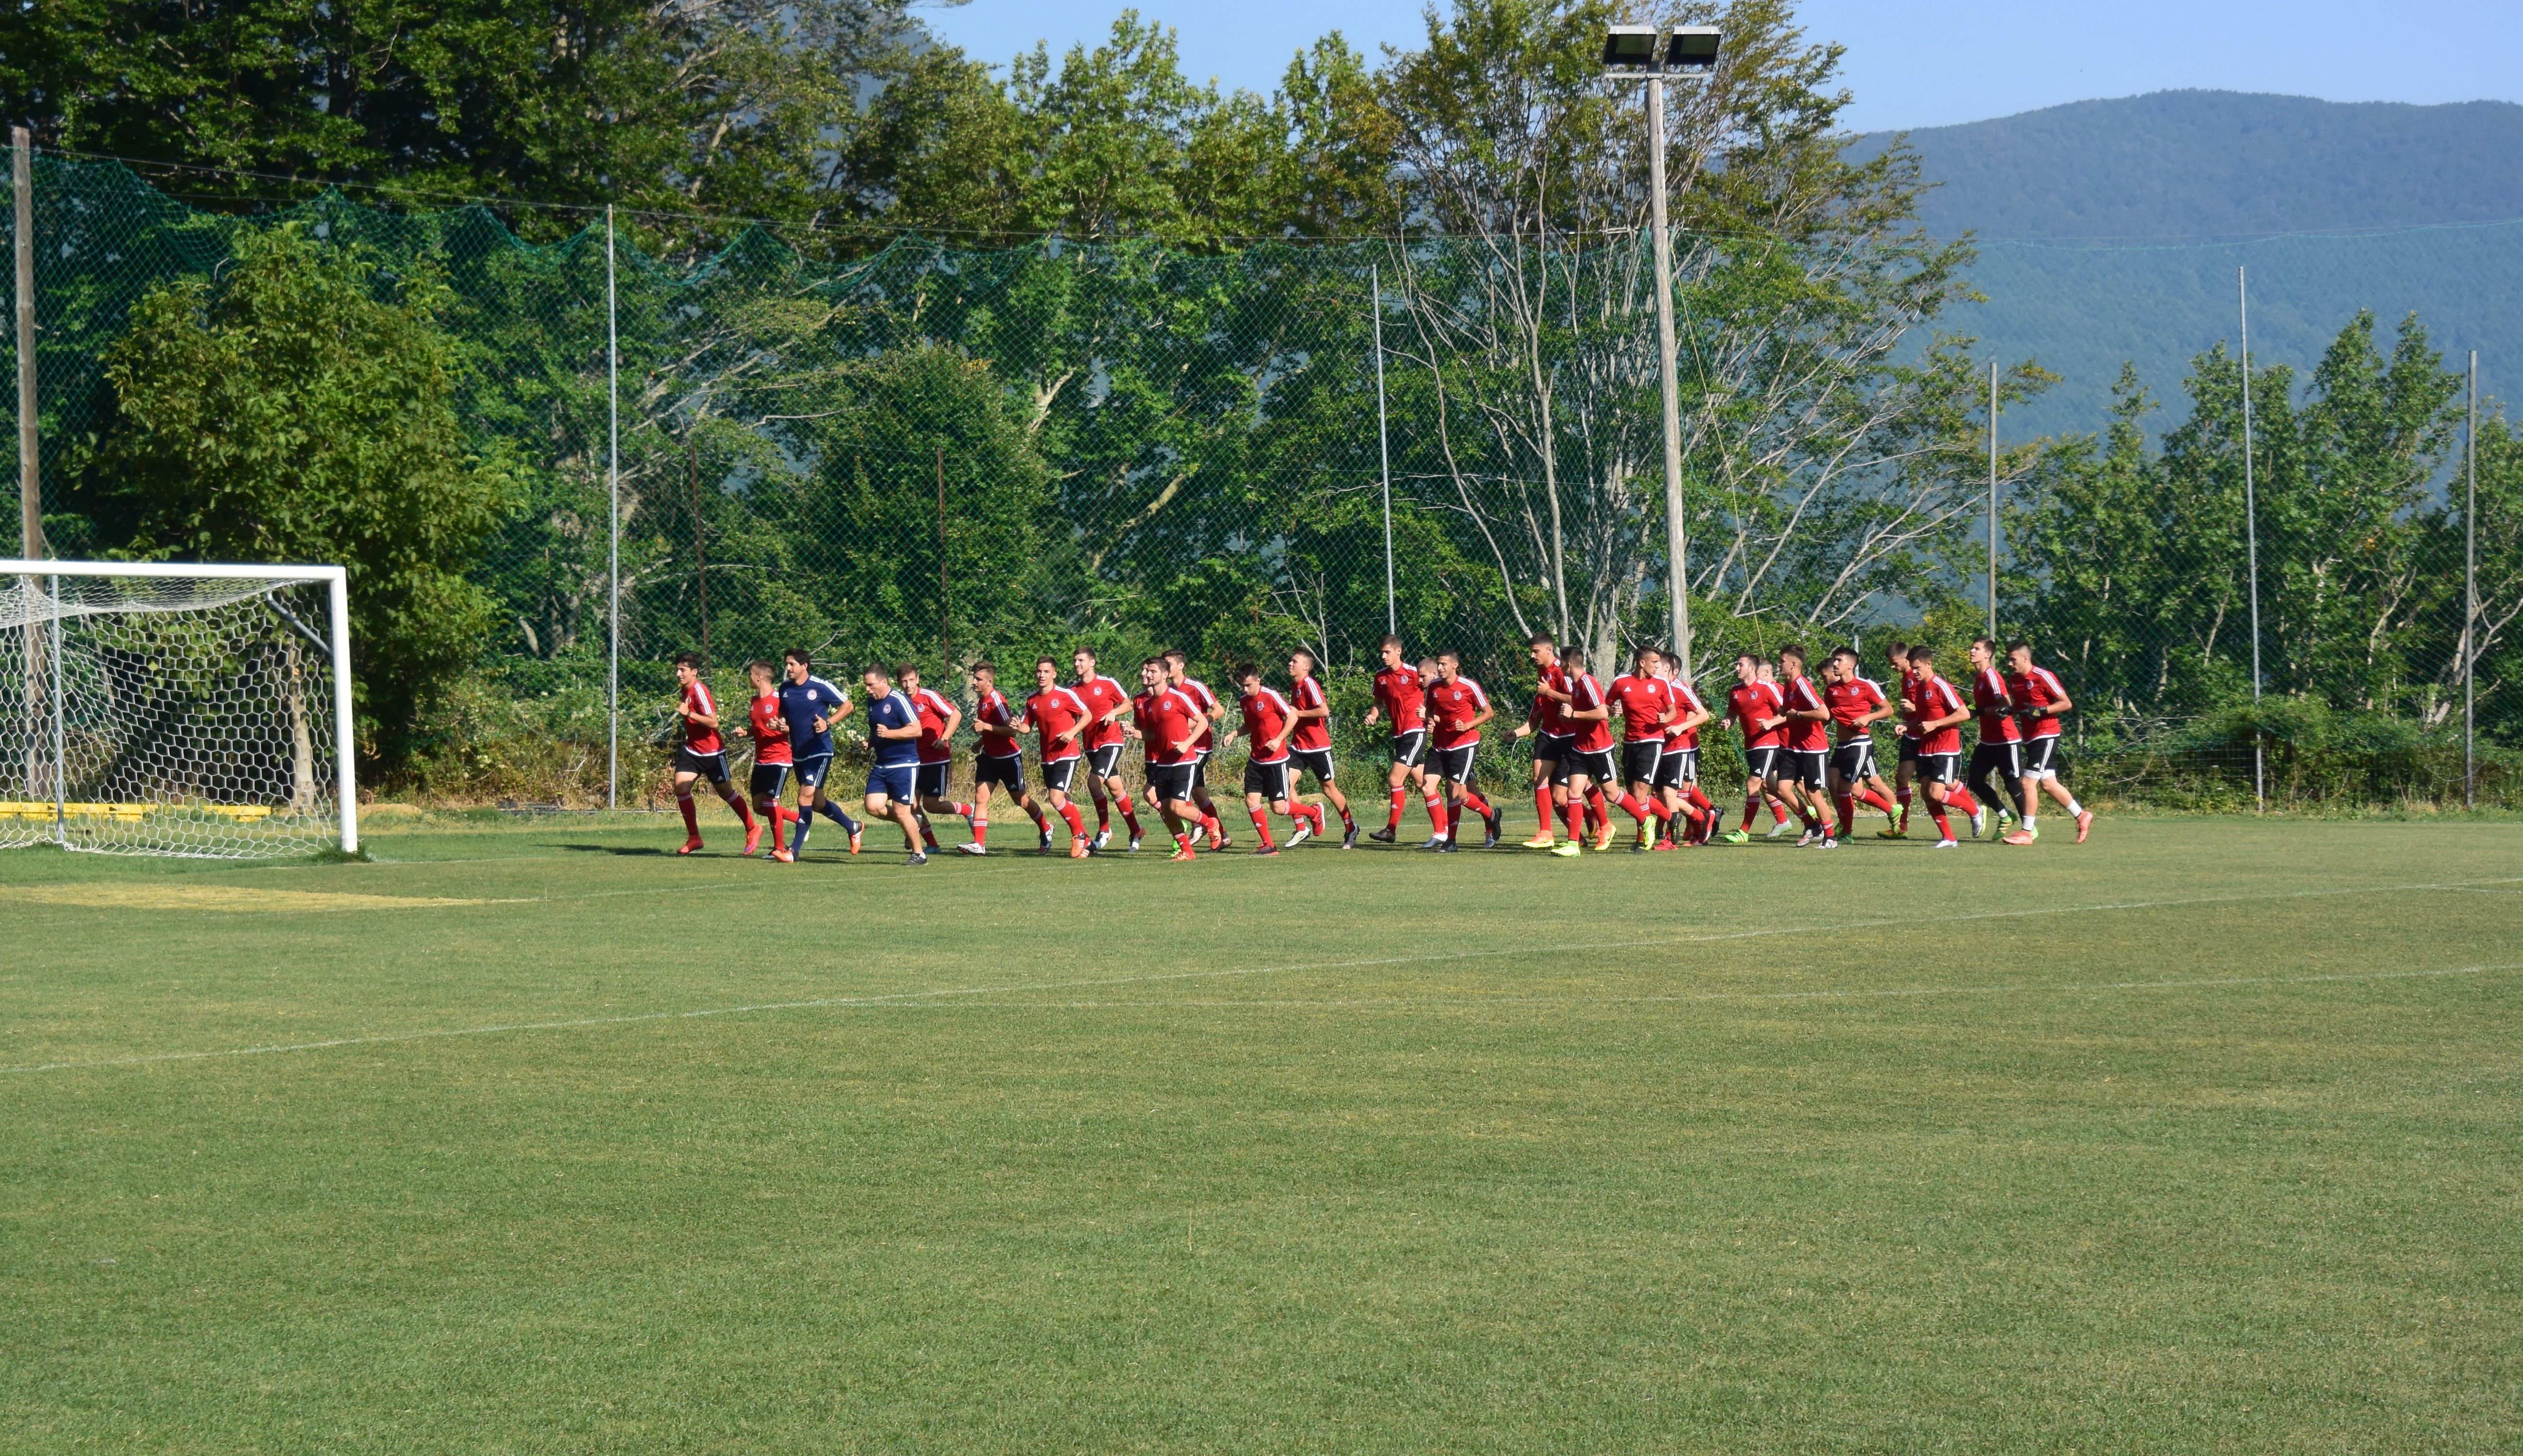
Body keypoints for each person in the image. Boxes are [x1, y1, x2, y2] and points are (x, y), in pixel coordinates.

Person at [2001, 641, 2096, 845]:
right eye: (2009, 659)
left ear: (2025, 658)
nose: (2010, 664)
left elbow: (2066, 703)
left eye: (2013, 659)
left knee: (2027, 783)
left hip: (2047, 734)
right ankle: (2082, 816)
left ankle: (2027, 832)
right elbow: (2022, 706)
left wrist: (2042, 711)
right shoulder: (2015, 680)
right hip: (2031, 737)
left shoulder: (2043, 676)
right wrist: (2009, 710)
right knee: (2049, 784)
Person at [1222, 663, 1319, 854]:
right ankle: (1268, 845)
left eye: (1249, 685)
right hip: (1256, 760)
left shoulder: (1271, 696)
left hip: (1276, 761)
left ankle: (1314, 812)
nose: (1245, 689)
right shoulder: (1244, 701)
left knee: (1279, 808)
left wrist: (1279, 739)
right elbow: (1250, 725)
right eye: (1242, 686)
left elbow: (1292, 717)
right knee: (1251, 800)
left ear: (1258, 681)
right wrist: (1234, 734)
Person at [667, 653, 758, 855]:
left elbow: (713, 722)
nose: (678, 674)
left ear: (694, 672)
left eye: (682, 670)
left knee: (726, 793)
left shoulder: (699, 691)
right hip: (693, 751)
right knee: (681, 788)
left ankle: (753, 828)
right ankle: (694, 837)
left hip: (712, 753)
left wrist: (689, 713)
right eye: (677, 670)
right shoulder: (685, 689)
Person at [776, 650, 861, 859]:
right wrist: (781, 722)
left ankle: (793, 852)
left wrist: (828, 723)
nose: (788, 668)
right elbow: (783, 712)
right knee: (817, 803)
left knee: (804, 796)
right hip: (799, 752)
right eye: (787, 664)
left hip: (819, 750)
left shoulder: (820, 686)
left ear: (804, 666)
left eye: (792, 664)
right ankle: (854, 827)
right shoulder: (785, 689)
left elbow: (848, 705)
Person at [960, 659, 1050, 856]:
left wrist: (985, 727)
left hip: (1009, 758)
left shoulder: (996, 701)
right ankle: (979, 844)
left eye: (978, 679)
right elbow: (991, 729)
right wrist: (981, 742)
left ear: (989, 682)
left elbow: (1012, 732)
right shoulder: (982, 700)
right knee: (980, 798)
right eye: (974, 678)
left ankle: (1046, 827)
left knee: (1021, 800)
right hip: (989, 757)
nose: (974, 682)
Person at [1011, 658, 1094, 857]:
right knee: (1063, 800)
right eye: (1039, 671)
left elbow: (1087, 715)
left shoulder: (1065, 695)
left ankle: (1079, 836)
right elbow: (1027, 727)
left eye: (1046, 672)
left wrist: (1072, 732)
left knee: (1056, 799)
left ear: (1054, 674)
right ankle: (1087, 840)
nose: (1042, 675)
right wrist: (1018, 726)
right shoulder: (1032, 700)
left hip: (1067, 754)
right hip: (1047, 757)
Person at [1361, 635, 1437, 844]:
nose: (1383, 656)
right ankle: (1445, 827)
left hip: (1415, 732)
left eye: (1387, 652)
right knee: (1424, 783)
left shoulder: (1414, 673)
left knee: (1395, 779)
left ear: (1398, 652)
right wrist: (1373, 716)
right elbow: (1378, 702)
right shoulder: (1381, 677)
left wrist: (1431, 717)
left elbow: (1436, 691)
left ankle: (1391, 830)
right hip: (1399, 736)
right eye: (1382, 653)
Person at [1822, 647, 1902, 842]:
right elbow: (1828, 717)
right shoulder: (1831, 690)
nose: (1835, 664)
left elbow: (1888, 709)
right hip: (1842, 745)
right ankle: (1889, 811)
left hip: (1860, 743)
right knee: (1842, 785)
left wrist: (1868, 717)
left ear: (1851, 665)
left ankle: (1848, 832)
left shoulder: (1865, 686)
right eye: (1834, 660)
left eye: (1839, 660)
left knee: (1846, 788)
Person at [1134, 657, 1211, 861]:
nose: (1148, 674)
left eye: (1153, 671)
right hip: (1162, 763)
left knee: (1178, 808)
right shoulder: (1148, 704)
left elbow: (1202, 722)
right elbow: (1151, 735)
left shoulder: (1178, 697)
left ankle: (1210, 824)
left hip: (1184, 761)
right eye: (1147, 671)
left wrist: (1187, 743)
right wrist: (1133, 733)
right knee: (1167, 811)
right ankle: (1187, 851)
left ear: (1165, 675)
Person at [1425, 651, 1503, 849]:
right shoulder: (1434, 686)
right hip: (1440, 745)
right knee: (1430, 786)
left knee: (1454, 790)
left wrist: (1468, 725)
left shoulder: (1469, 686)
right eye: (1439, 664)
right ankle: (1492, 815)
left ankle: (1451, 841)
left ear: (1455, 666)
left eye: (1444, 664)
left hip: (1464, 745)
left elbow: (1489, 713)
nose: (1440, 668)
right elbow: (1430, 711)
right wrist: (1430, 722)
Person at [1548, 648, 1621, 856]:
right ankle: (1573, 845)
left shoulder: (1587, 681)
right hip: (1581, 748)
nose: (1560, 666)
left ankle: (1644, 821)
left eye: (1562, 663)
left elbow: (1602, 713)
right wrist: (1570, 717)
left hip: (1600, 748)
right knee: (1573, 793)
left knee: (1612, 794)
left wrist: (1574, 715)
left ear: (1569, 665)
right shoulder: (1576, 685)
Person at [1070, 648, 1142, 851]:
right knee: (1116, 789)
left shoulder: (1107, 683)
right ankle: (1137, 831)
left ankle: (1105, 830)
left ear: (1092, 663)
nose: (1077, 664)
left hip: (1111, 741)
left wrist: (1113, 712)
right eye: (1075, 661)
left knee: (1093, 783)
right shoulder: (1073, 690)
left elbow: (1127, 704)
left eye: (1081, 660)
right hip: (1091, 746)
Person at [1283, 648, 1357, 848]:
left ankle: (1351, 827)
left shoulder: (1309, 684)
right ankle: (1302, 827)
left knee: (1329, 790)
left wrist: (1298, 713)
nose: (1290, 664)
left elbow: (1324, 711)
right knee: (1285, 786)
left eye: (1295, 661)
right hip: (1298, 747)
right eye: (1291, 661)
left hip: (1318, 748)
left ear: (1306, 667)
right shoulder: (1295, 685)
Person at [1608, 647, 1679, 852]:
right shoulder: (1622, 682)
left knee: (1640, 792)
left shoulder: (1661, 683)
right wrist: (1613, 710)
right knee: (1633, 794)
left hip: (1652, 742)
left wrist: (1666, 718)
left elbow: (1673, 712)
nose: (1658, 666)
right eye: (1654, 662)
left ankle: (1642, 840)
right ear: (1641, 663)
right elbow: (1605, 705)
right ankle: (1670, 817)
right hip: (1630, 743)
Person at [899, 665, 977, 852]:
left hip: (936, 758)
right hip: (915, 760)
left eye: (911, 680)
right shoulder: (901, 701)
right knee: (911, 804)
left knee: (931, 805)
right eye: (904, 681)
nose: (908, 685)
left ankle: (968, 810)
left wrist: (944, 738)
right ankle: (932, 845)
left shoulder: (928, 697)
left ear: (918, 679)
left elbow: (956, 714)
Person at [1510, 634, 1577, 849]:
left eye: (1536, 651)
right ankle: (1546, 833)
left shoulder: (1562, 671)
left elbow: (1577, 699)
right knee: (1539, 779)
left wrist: (1549, 692)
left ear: (1549, 650)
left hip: (1569, 738)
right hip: (1548, 735)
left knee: (1562, 797)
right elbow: (1536, 717)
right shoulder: (1542, 672)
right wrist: (1515, 734)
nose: (1532, 656)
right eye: (1531, 651)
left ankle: (1598, 822)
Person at [859, 666, 928, 865]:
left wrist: (889, 734)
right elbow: (877, 729)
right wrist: (871, 741)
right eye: (866, 685)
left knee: (901, 810)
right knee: (873, 807)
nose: (867, 689)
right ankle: (912, 823)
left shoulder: (899, 700)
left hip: (904, 765)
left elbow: (916, 730)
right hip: (882, 765)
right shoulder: (872, 702)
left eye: (871, 685)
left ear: (884, 682)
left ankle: (919, 854)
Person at [1161, 650, 1229, 849]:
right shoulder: (1168, 691)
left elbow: (1218, 710)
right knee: (1198, 793)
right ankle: (1220, 833)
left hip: (1199, 747)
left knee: (1182, 791)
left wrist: (1195, 724)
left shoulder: (1195, 687)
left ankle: (1199, 825)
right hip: (1181, 748)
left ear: (1181, 666)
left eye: (1169, 664)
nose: (1165, 668)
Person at [1720, 653, 1790, 845]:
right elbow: (1732, 713)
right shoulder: (1735, 691)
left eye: (1740, 665)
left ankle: (1744, 832)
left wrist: (1771, 723)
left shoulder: (1766, 689)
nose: (1736, 668)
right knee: (1770, 787)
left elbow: (1787, 713)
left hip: (1767, 744)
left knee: (1752, 785)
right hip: (1751, 745)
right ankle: (1807, 818)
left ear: (1752, 669)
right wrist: (1728, 721)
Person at [1651, 650, 1718, 847]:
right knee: (1662, 797)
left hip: (1679, 747)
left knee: (1671, 794)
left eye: (1656, 667)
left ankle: (1670, 839)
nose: (1653, 670)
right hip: (1659, 747)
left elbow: (1703, 715)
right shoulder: (1653, 687)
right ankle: (1702, 818)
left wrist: (1680, 727)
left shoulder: (1679, 688)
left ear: (1667, 668)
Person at [1909, 645, 1970, 849]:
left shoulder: (1941, 686)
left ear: (1929, 664)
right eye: (1912, 668)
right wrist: (1907, 726)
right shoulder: (1920, 688)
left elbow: (1964, 714)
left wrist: (1935, 724)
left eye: (1917, 668)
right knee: (1927, 794)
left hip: (1946, 747)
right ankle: (1949, 838)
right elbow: (1924, 718)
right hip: (1926, 748)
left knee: (1936, 793)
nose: (1914, 672)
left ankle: (1974, 810)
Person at [742, 659, 802, 863]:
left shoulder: (779, 700)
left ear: (759, 677)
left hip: (779, 759)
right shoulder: (754, 701)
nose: (749, 678)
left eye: (751, 674)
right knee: (759, 806)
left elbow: (796, 727)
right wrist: (746, 732)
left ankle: (780, 848)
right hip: (761, 760)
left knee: (771, 802)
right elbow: (758, 727)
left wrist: (783, 728)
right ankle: (799, 820)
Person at [1965, 638, 2023, 838]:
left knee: (2013, 784)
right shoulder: (1980, 678)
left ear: (1988, 655)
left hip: (2006, 740)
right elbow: (1983, 708)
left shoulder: (1991, 677)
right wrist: (1971, 710)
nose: (1972, 651)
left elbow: (2006, 708)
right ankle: (2006, 816)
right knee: (1975, 781)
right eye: (1972, 648)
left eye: (1977, 649)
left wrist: (1979, 711)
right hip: (1988, 742)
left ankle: (2029, 828)